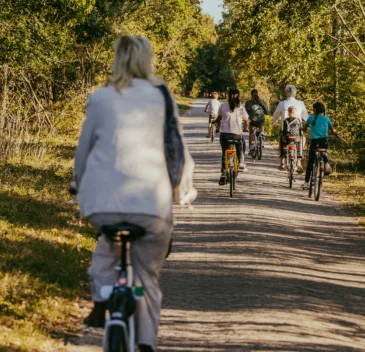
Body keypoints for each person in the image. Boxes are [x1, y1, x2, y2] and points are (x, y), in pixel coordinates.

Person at [74, 35, 194, 352]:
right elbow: (176, 149)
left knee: (105, 255)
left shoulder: (99, 97)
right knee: (147, 278)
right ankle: (145, 343)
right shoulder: (161, 95)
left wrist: (78, 183)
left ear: (116, 59)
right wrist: (181, 188)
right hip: (151, 204)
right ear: (147, 60)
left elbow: (83, 152)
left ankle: (103, 298)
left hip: (102, 205)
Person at [302, 102, 337, 190]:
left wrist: (303, 129)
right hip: (324, 141)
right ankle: (326, 163)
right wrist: (334, 132)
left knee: (311, 161)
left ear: (314, 109)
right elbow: (332, 129)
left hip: (314, 142)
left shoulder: (311, 118)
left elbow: (305, 127)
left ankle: (306, 182)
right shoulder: (326, 118)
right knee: (323, 151)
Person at [216, 88, 249, 184]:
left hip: (225, 135)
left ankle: (223, 174)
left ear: (228, 96)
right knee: (241, 144)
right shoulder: (241, 107)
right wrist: (246, 126)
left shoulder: (222, 106)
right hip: (237, 135)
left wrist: (216, 123)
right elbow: (246, 119)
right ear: (238, 96)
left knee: (224, 152)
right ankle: (241, 162)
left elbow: (218, 118)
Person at [272, 85, 308, 170]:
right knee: (302, 139)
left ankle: (282, 163)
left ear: (286, 93)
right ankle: (298, 162)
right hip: (297, 133)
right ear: (295, 93)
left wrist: (274, 122)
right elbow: (306, 117)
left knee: (281, 141)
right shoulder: (301, 104)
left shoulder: (282, 104)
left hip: (285, 133)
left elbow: (275, 116)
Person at [245, 89, 269, 157]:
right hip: (261, 120)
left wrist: (247, 118)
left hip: (252, 120)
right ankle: (262, 134)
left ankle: (252, 148)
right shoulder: (261, 101)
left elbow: (245, 112)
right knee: (261, 123)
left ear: (251, 94)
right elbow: (267, 111)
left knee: (251, 133)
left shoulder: (248, 103)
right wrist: (266, 113)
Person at [280, 106, 304, 173]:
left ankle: (283, 161)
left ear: (288, 112)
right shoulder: (298, 120)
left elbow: (284, 131)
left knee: (283, 144)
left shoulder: (286, 120)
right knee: (299, 146)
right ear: (295, 112)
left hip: (288, 139)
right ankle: (298, 162)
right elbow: (301, 131)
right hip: (296, 139)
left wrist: (283, 133)